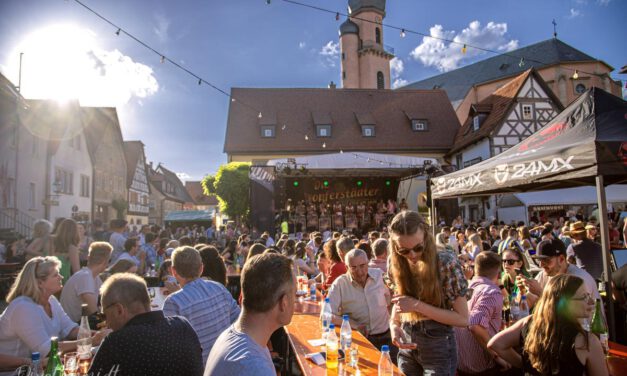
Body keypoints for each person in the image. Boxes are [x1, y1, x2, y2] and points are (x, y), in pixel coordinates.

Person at [388, 211, 468, 375]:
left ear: (426, 236)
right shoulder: (395, 262)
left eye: (418, 248)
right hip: (407, 342)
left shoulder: (445, 261)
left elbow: (463, 319)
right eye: (404, 250)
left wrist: (417, 306)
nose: (412, 255)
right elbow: (400, 303)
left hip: (438, 345)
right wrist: (394, 325)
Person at [488, 274, 608, 376]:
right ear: (564, 303)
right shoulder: (588, 342)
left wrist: (525, 365)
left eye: (589, 296)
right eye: (584, 297)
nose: (591, 302)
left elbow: (495, 343)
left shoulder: (529, 322)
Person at [90, 273, 203, 376]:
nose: (107, 323)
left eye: (104, 315)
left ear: (119, 310)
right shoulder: (183, 326)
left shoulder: (115, 343)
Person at [0, 257, 107, 365]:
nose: (61, 277)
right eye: (55, 275)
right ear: (40, 283)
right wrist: (90, 341)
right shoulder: (23, 308)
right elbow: (48, 351)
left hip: (38, 368)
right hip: (14, 371)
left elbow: (70, 329)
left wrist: (98, 334)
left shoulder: (51, 300)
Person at [204, 253, 295, 376]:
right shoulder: (253, 367)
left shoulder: (234, 335)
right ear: (284, 302)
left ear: (241, 296)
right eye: (294, 294)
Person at [163, 246, 240, 365]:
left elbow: (170, 348)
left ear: (173, 271)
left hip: (199, 368)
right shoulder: (218, 288)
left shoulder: (173, 302)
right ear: (201, 268)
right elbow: (238, 320)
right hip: (226, 362)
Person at [326, 249, 395, 359]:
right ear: (347, 267)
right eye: (354, 268)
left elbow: (393, 299)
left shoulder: (379, 276)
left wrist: (394, 322)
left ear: (368, 263)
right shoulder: (340, 284)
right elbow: (326, 315)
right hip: (361, 341)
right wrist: (354, 324)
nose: (360, 272)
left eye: (363, 266)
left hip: (387, 337)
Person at [455, 252, 509, 375]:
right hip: (482, 368)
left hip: (461, 364)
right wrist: (496, 356)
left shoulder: (467, 288)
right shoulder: (491, 292)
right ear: (498, 272)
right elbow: (475, 325)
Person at [520, 239, 600, 309]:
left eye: (546, 260)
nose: (541, 265)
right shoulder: (546, 273)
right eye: (538, 260)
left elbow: (569, 314)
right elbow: (528, 301)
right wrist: (522, 292)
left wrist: (540, 293)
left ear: (561, 259)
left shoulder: (578, 278)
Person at [60, 242, 112, 322]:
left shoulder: (91, 276)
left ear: (89, 257)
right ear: (105, 262)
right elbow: (93, 310)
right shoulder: (85, 277)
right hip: (72, 327)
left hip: (75, 324)